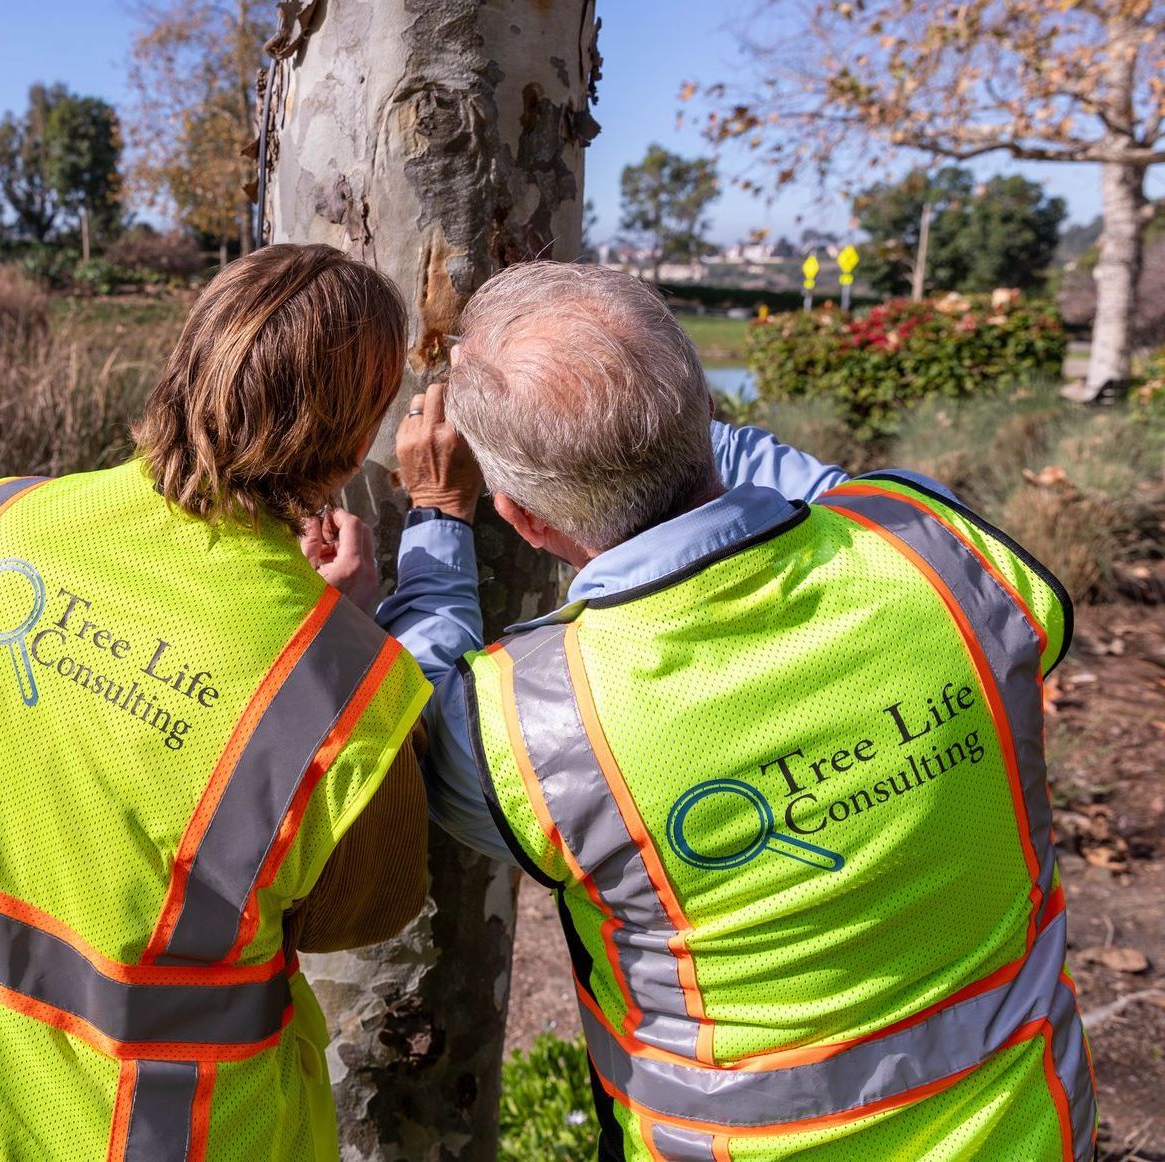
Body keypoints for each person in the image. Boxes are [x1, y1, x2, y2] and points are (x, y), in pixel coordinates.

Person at [383, 263, 1094, 1160]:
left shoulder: (531, 729)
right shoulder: (939, 554)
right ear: (702, 417)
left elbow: (405, 715)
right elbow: (836, 494)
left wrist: (438, 518)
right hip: (1029, 1126)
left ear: (521, 518)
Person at [0, 244, 434, 1162]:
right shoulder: (333, 683)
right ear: (357, 443)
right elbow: (363, 910)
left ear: (185, 365)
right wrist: (336, 627)